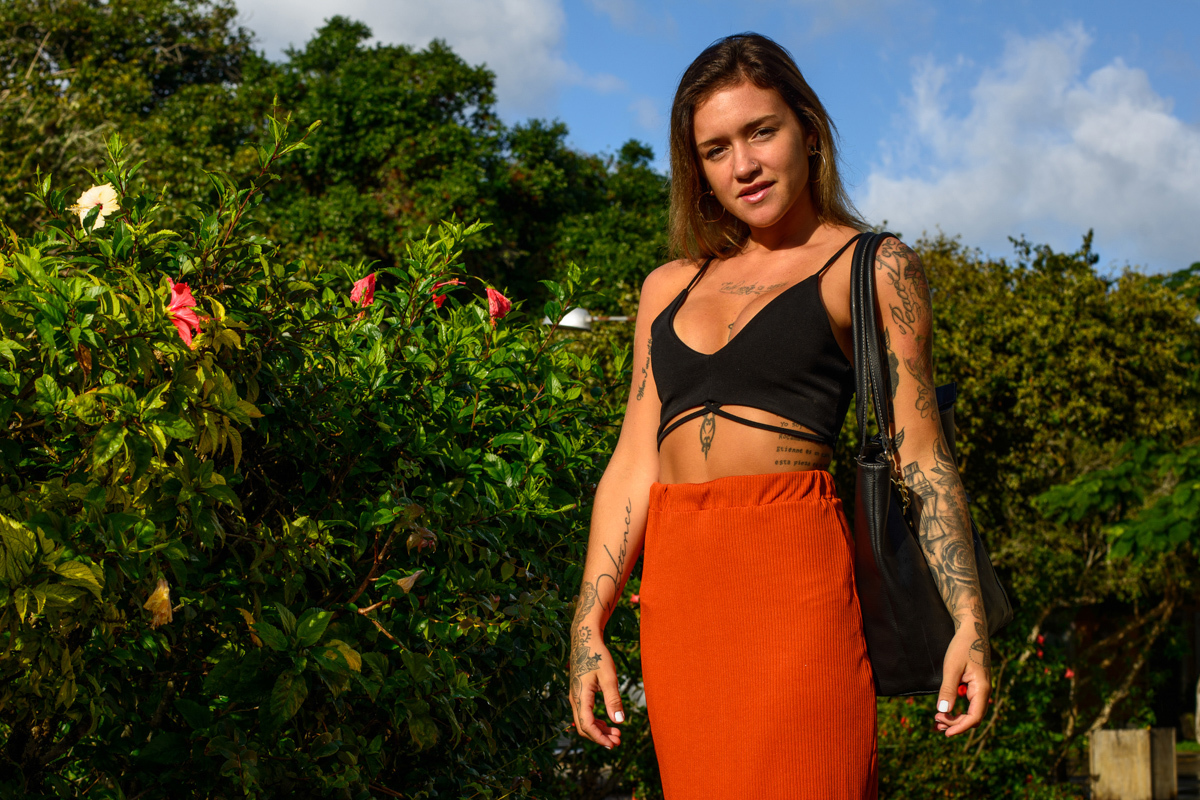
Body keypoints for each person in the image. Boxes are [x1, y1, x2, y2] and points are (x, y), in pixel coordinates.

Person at [567, 32, 991, 798]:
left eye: (761, 131)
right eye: (716, 148)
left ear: (808, 130)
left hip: (794, 582)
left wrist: (968, 618)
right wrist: (588, 623)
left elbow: (921, 455)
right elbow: (632, 463)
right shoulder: (666, 288)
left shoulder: (872, 267)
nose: (744, 165)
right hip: (681, 595)